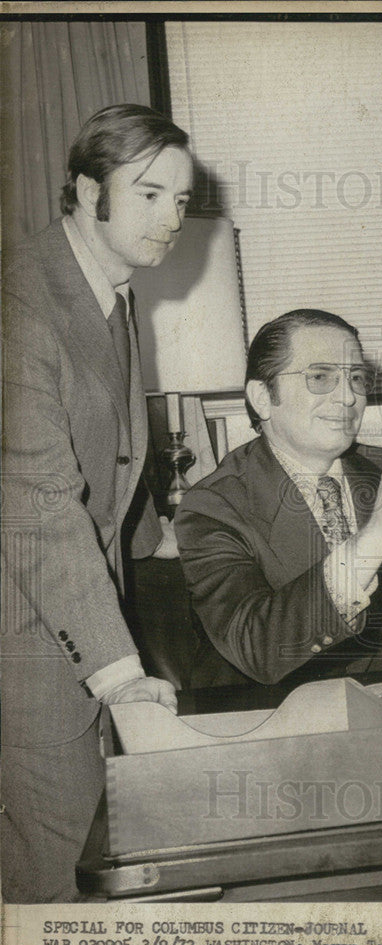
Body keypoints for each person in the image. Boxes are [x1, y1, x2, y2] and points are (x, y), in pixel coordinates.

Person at [1, 104, 191, 902]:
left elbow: (106, 443)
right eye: (148, 194)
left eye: (180, 200)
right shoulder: (20, 302)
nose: (170, 218)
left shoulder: (109, 284)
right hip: (25, 627)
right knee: (64, 872)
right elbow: (37, 498)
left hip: (74, 605)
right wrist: (118, 675)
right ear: (86, 190)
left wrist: (156, 539)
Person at [175, 309, 382, 686]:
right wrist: (374, 538)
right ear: (263, 398)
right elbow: (255, 646)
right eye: (320, 377)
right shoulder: (214, 505)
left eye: (357, 378)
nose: (348, 397)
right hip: (265, 721)